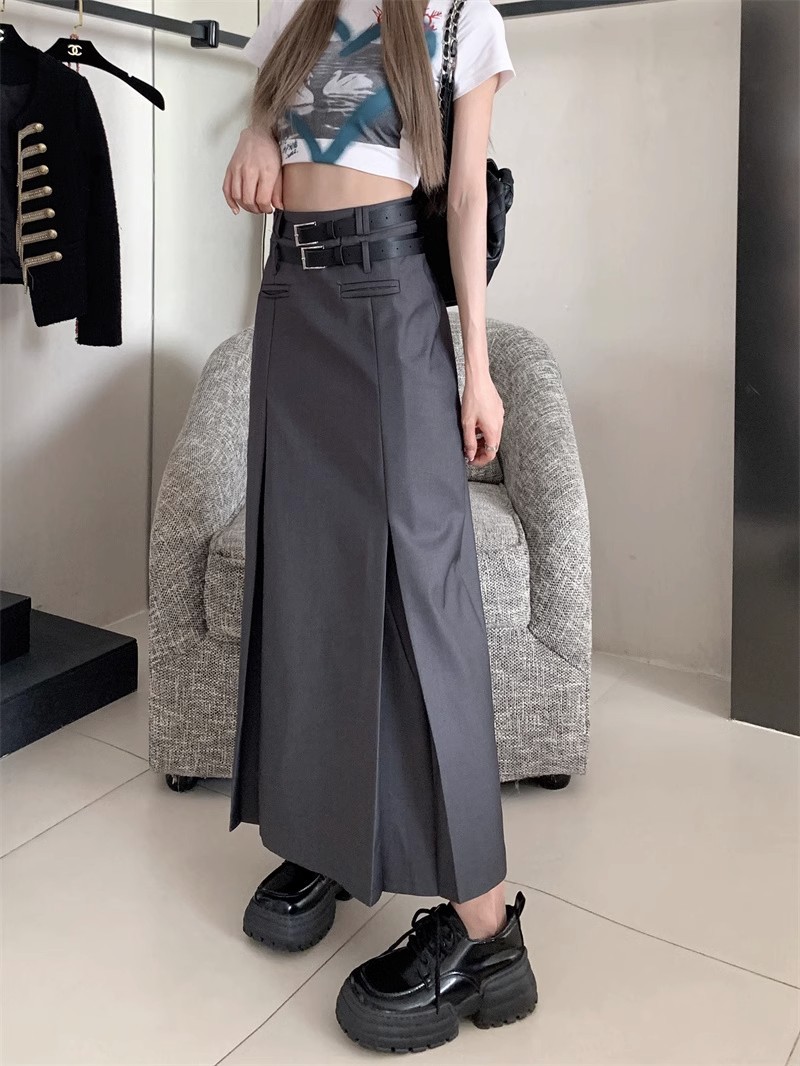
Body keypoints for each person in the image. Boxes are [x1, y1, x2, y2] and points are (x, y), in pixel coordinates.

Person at [222, 0, 537, 1052]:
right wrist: (254, 132)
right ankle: (323, 833)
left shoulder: (460, 18)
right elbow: (267, 126)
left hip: (388, 294)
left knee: (424, 600)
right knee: (306, 578)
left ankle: (487, 929)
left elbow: (461, 203)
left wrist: (476, 368)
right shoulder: (295, 13)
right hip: (291, 296)